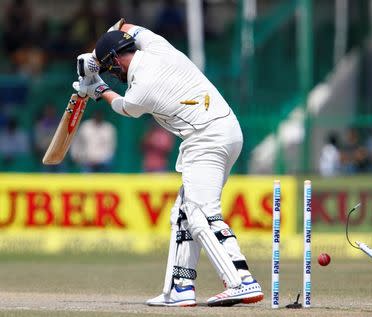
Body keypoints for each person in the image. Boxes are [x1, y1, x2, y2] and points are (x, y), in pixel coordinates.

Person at [72, 20, 263, 307]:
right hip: (226, 131)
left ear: (113, 61)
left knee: (201, 214)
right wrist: (99, 53)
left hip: (206, 138)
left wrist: (96, 86)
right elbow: (127, 25)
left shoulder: (143, 87)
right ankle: (181, 287)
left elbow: (125, 107)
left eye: (109, 67)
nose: (113, 74)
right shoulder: (156, 45)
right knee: (183, 214)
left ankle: (241, 281)